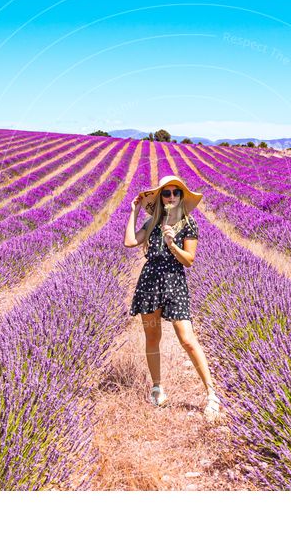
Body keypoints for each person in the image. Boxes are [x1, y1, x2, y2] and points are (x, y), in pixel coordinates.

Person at [123, 175, 220, 421]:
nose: (172, 197)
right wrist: (134, 211)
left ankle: (211, 394)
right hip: (150, 283)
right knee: (153, 336)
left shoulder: (189, 225)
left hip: (175, 282)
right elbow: (130, 242)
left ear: (181, 197)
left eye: (176, 193)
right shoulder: (153, 222)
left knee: (187, 338)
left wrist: (171, 244)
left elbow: (189, 261)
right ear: (161, 197)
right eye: (167, 193)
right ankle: (157, 388)